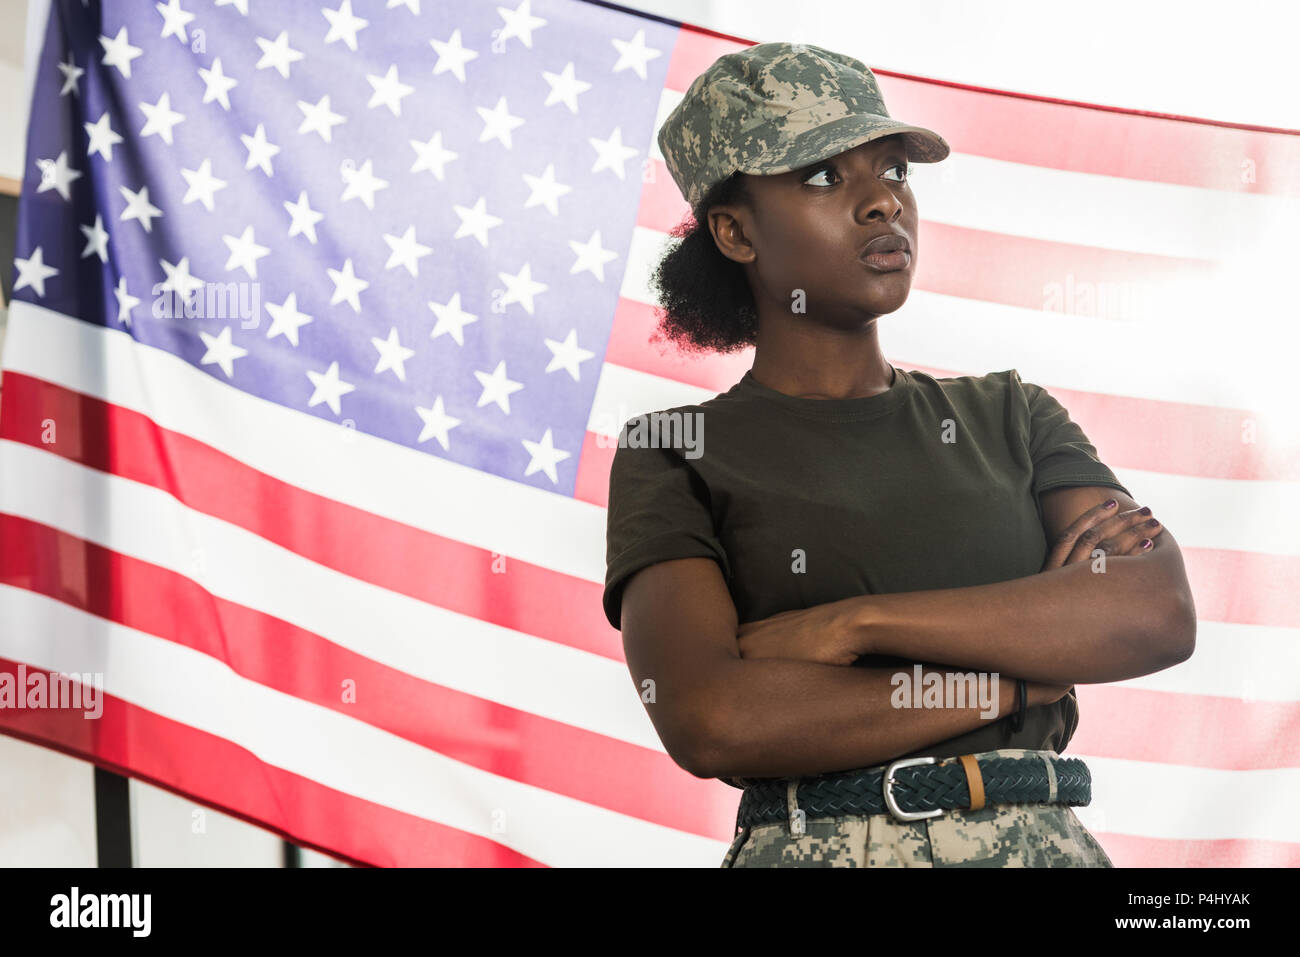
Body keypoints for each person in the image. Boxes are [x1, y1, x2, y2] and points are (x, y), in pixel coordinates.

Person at [602, 41, 1197, 867]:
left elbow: (1151, 613)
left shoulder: (1009, 414)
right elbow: (714, 717)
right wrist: (1019, 680)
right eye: (824, 176)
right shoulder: (677, 453)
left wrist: (852, 624)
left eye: (893, 172)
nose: (883, 201)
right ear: (735, 231)